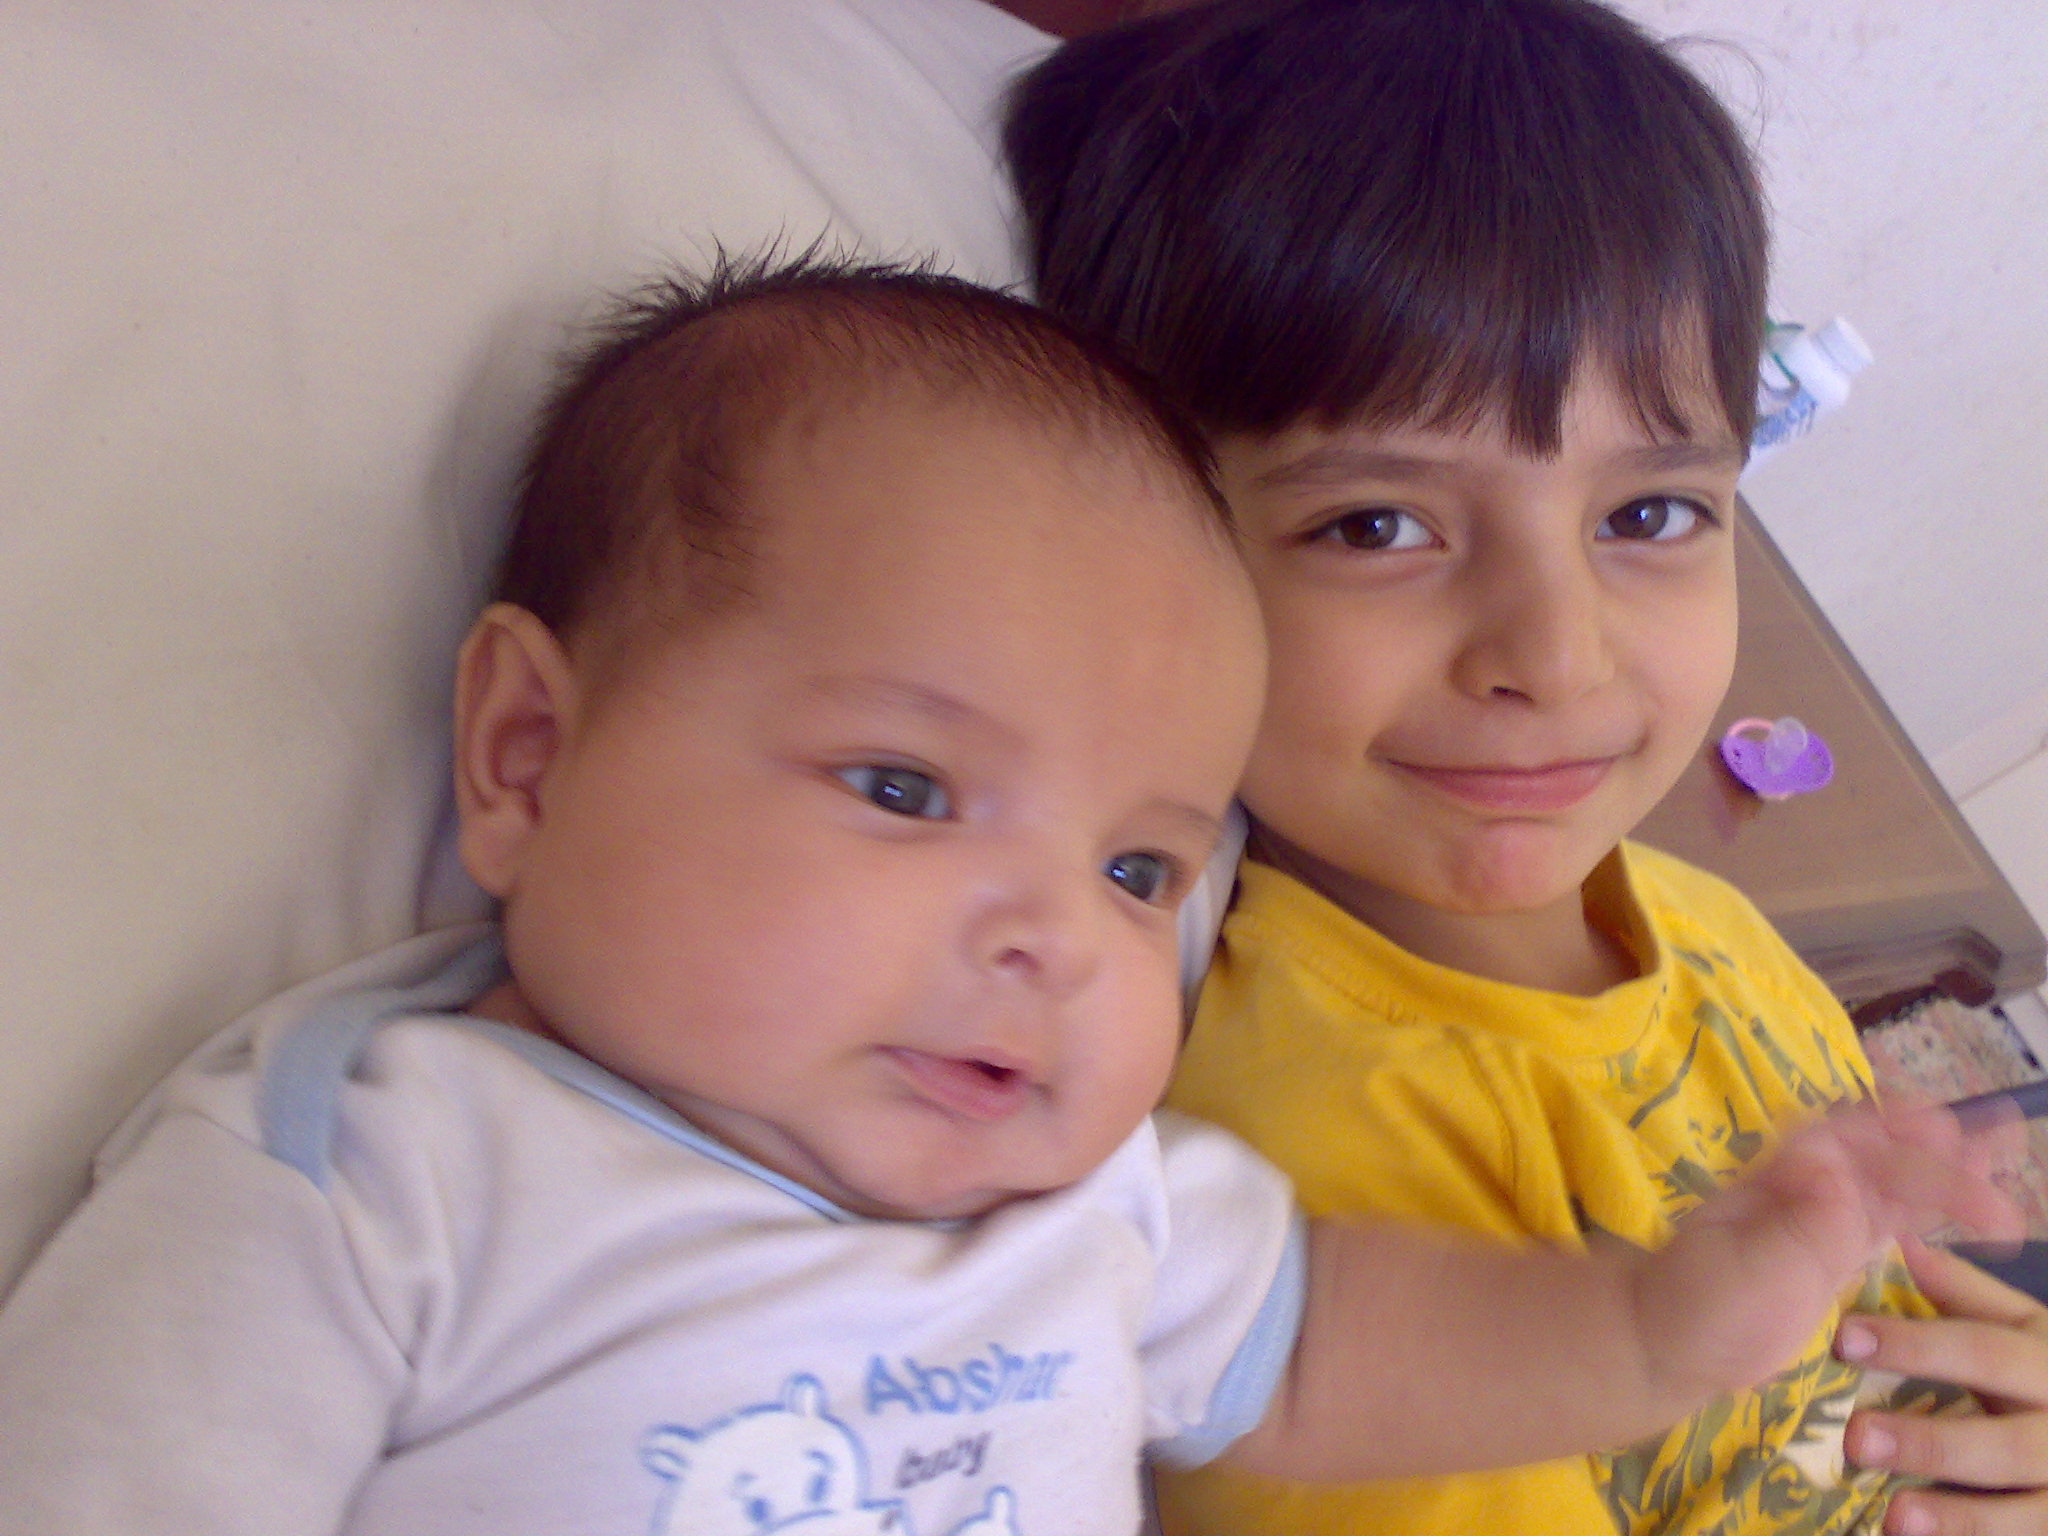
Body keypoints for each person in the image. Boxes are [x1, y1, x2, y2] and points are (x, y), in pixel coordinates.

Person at [0, 258, 2012, 1536]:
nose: (1056, 937)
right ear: (527, 755)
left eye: (1141, 869)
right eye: (905, 790)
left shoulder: (1092, 1200)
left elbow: (1331, 1351)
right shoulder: (376, 1178)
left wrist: (1659, 1319)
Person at [1003, 2, 2048, 1534]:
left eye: (1648, 515)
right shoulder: (1305, 1193)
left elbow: (1891, 1329)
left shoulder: (1700, 924)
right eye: (1378, 525)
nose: (1555, 657)